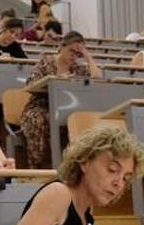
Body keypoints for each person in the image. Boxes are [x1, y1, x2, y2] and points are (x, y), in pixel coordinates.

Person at [3, 126, 144, 225]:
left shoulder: (86, 214)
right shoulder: (58, 193)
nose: (119, 183)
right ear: (84, 162)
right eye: (112, 169)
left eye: (126, 178)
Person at [20, 31, 104, 169]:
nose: (73, 56)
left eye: (77, 53)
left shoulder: (77, 68)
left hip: (68, 107)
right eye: (71, 50)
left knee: (77, 120)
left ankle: (70, 165)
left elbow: (98, 79)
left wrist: (88, 57)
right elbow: (30, 84)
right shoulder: (47, 61)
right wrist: (55, 80)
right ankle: (41, 165)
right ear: (62, 46)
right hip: (42, 105)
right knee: (39, 119)